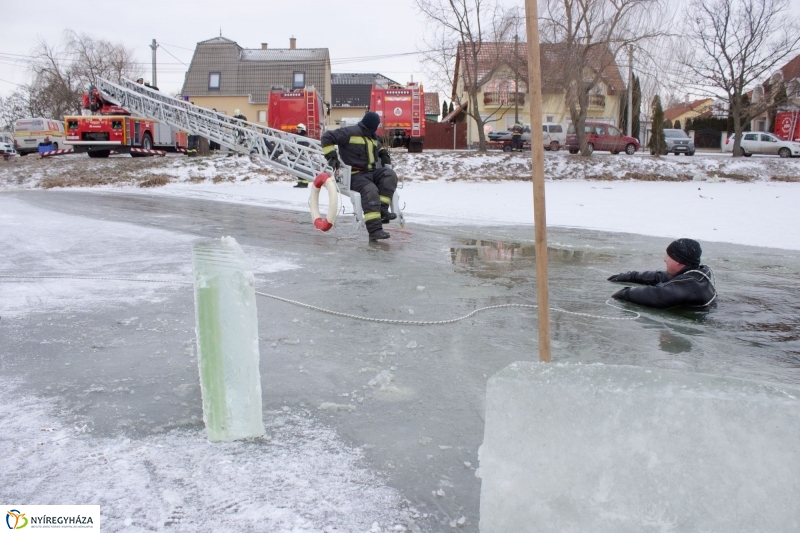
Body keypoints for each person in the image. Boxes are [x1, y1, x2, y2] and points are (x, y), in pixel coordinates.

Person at [320, 111, 397, 241]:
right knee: (370, 190)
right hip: (355, 175)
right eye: (376, 125)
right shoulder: (350, 132)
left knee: (390, 175)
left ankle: (383, 210)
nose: (376, 128)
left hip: (371, 172)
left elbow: (378, 147)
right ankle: (375, 230)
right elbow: (326, 137)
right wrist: (332, 158)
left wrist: (384, 154)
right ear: (371, 124)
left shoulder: (372, 136)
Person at [607, 238, 717, 309]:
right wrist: (631, 276)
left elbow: (657, 294)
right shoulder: (698, 274)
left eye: (668, 256)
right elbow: (662, 276)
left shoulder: (688, 286)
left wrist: (623, 293)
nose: (665, 259)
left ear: (678, 261)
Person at [293, 123, 310, 188]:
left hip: (303, 156)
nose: (298, 131)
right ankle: (300, 182)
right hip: (298, 155)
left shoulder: (304, 137)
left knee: (303, 169)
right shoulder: (297, 137)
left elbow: (305, 146)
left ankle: (305, 183)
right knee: (298, 169)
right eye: (298, 129)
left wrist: (302, 153)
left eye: (300, 129)